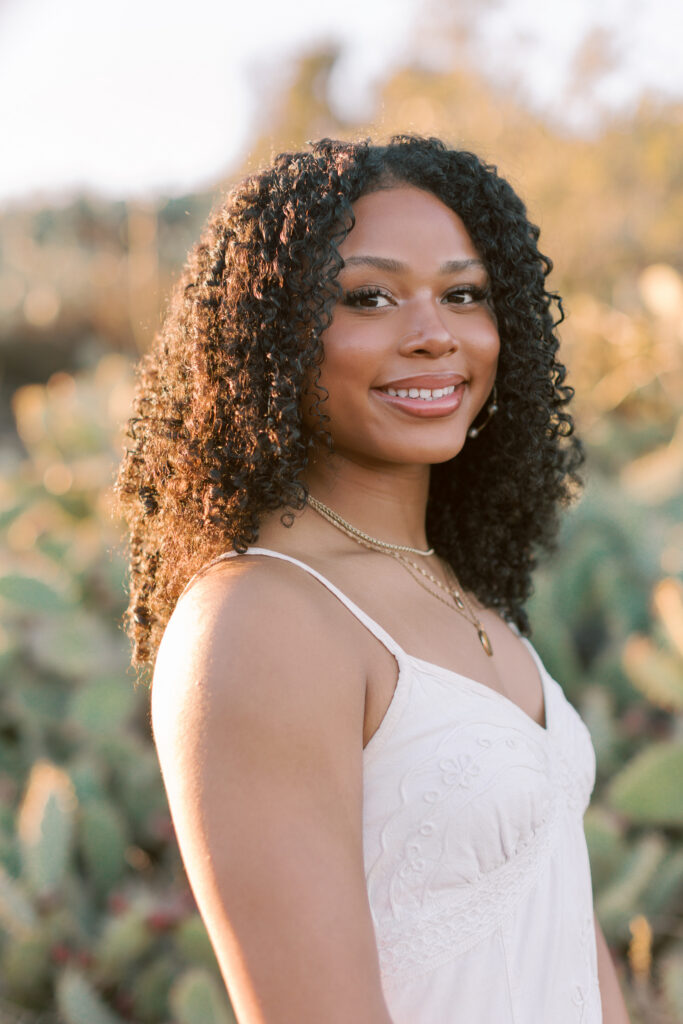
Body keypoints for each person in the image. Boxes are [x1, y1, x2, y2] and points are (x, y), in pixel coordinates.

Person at [116, 136, 631, 1023]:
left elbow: (559, 931)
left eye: (463, 294)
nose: (433, 333)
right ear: (271, 336)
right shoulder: (260, 618)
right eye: (368, 297)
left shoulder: (454, 589)